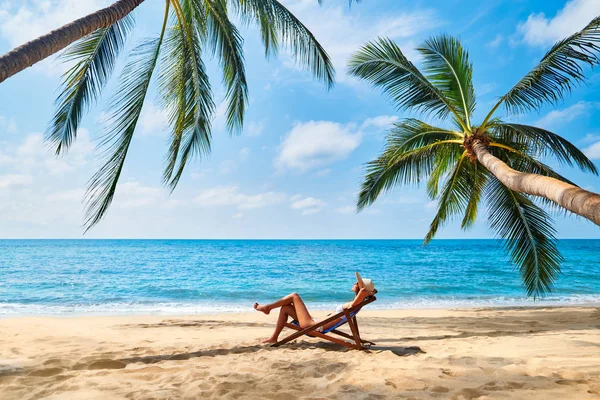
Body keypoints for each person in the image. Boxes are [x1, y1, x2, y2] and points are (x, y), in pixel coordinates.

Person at [253, 272, 375, 344]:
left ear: (361, 288)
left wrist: (365, 290)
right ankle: (274, 338)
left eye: (357, 283)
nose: (354, 283)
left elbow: (363, 293)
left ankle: (267, 308)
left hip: (312, 326)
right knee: (285, 308)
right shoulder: (354, 303)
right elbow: (368, 292)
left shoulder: (353, 304)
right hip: (314, 323)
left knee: (294, 296)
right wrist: (368, 291)